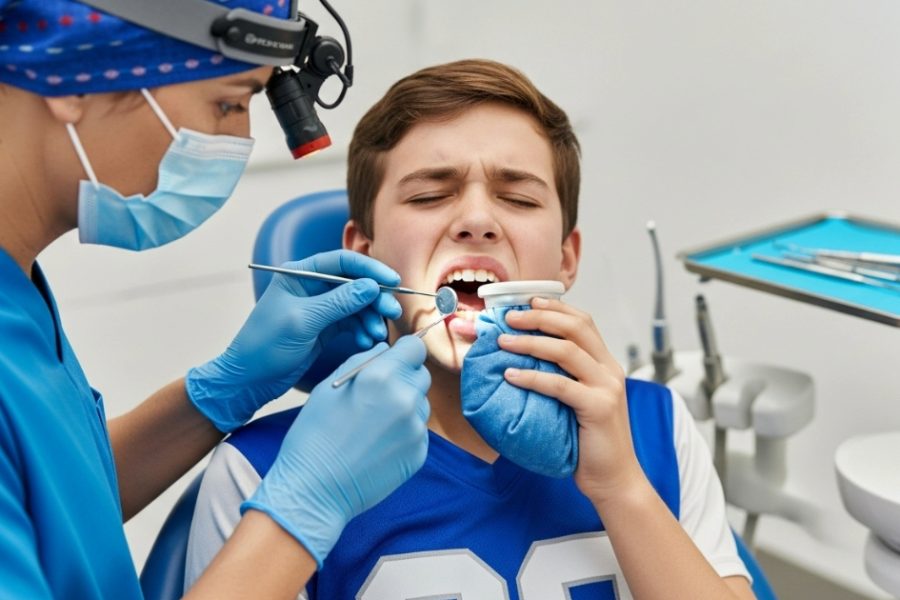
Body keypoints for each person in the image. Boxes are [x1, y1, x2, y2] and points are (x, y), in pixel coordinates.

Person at [185, 59, 756, 599]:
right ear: (363, 251)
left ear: (565, 260)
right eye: (431, 195)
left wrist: (621, 487)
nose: (478, 221)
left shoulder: (654, 425)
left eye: (518, 197)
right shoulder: (261, 473)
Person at [0, 1, 433, 598]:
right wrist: (305, 505)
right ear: (73, 69)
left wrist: (223, 390)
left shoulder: (18, 289)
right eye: (228, 103)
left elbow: (58, 506)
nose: (240, 139)